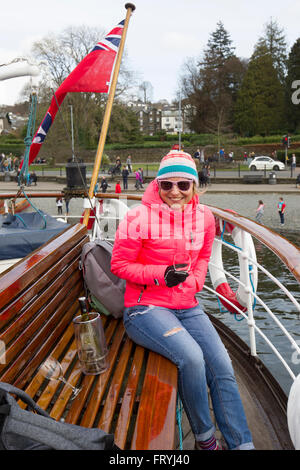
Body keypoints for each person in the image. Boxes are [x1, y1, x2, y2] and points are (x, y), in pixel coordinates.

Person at [111, 150, 254, 451]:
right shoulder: (138, 217)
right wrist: (161, 274)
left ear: (194, 186)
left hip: (187, 305)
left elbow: (202, 257)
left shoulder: (204, 217)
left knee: (222, 366)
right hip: (144, 307)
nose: (174, 192)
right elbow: (119, 266)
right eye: (167, 185)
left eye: (183, 185)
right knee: (192, 358)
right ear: (158, 184)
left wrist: (197, 281)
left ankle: (242, 444)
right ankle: (205, 439)